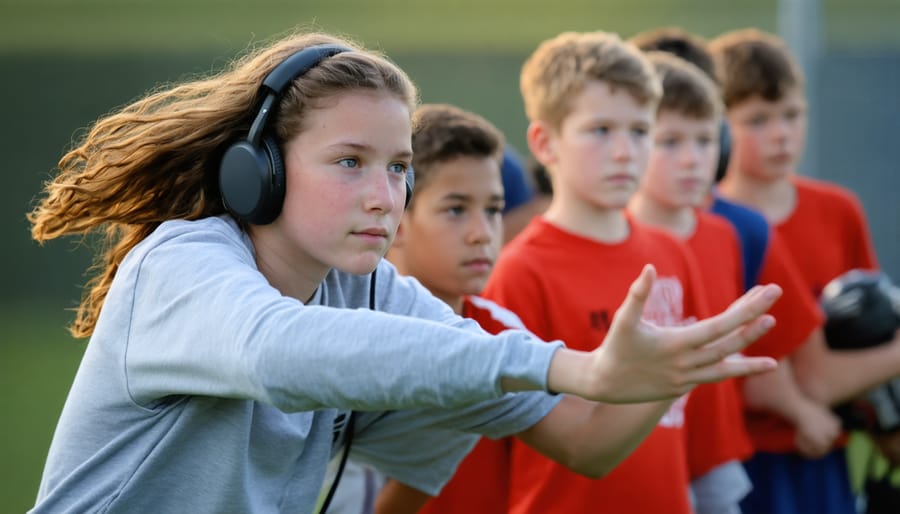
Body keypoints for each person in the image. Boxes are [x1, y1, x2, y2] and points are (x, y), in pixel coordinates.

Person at [25, 30, 783, 514]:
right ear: (258, 172)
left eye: (398, 168)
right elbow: (282, 352)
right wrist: (563, 364)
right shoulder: (182, 263)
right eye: (349, 163)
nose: (385, 198)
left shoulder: (370, 290)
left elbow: (583, 440)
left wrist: (659, 372)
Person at [482, 30, 748, 514]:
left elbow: (704, 422)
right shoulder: (520, 272)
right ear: (545, 142)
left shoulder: (671, 252)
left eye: (640, 131)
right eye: (601, 131)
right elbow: (496, 447)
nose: (626, 152)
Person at [709, 27, 900, 514]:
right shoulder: (713, 224)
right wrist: (795, 406)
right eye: (757, 120)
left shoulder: (838, 209)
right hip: (742, 459)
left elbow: (870, 334)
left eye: (792, 115)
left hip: (827, 451)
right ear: (721, 127)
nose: (781, 133)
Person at [627, 50, 757, 514]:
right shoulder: (619, 240)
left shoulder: (724, 236)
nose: (691, 160)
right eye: (670, 142)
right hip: (638, 450)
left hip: (714, 448)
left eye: (704, 141)